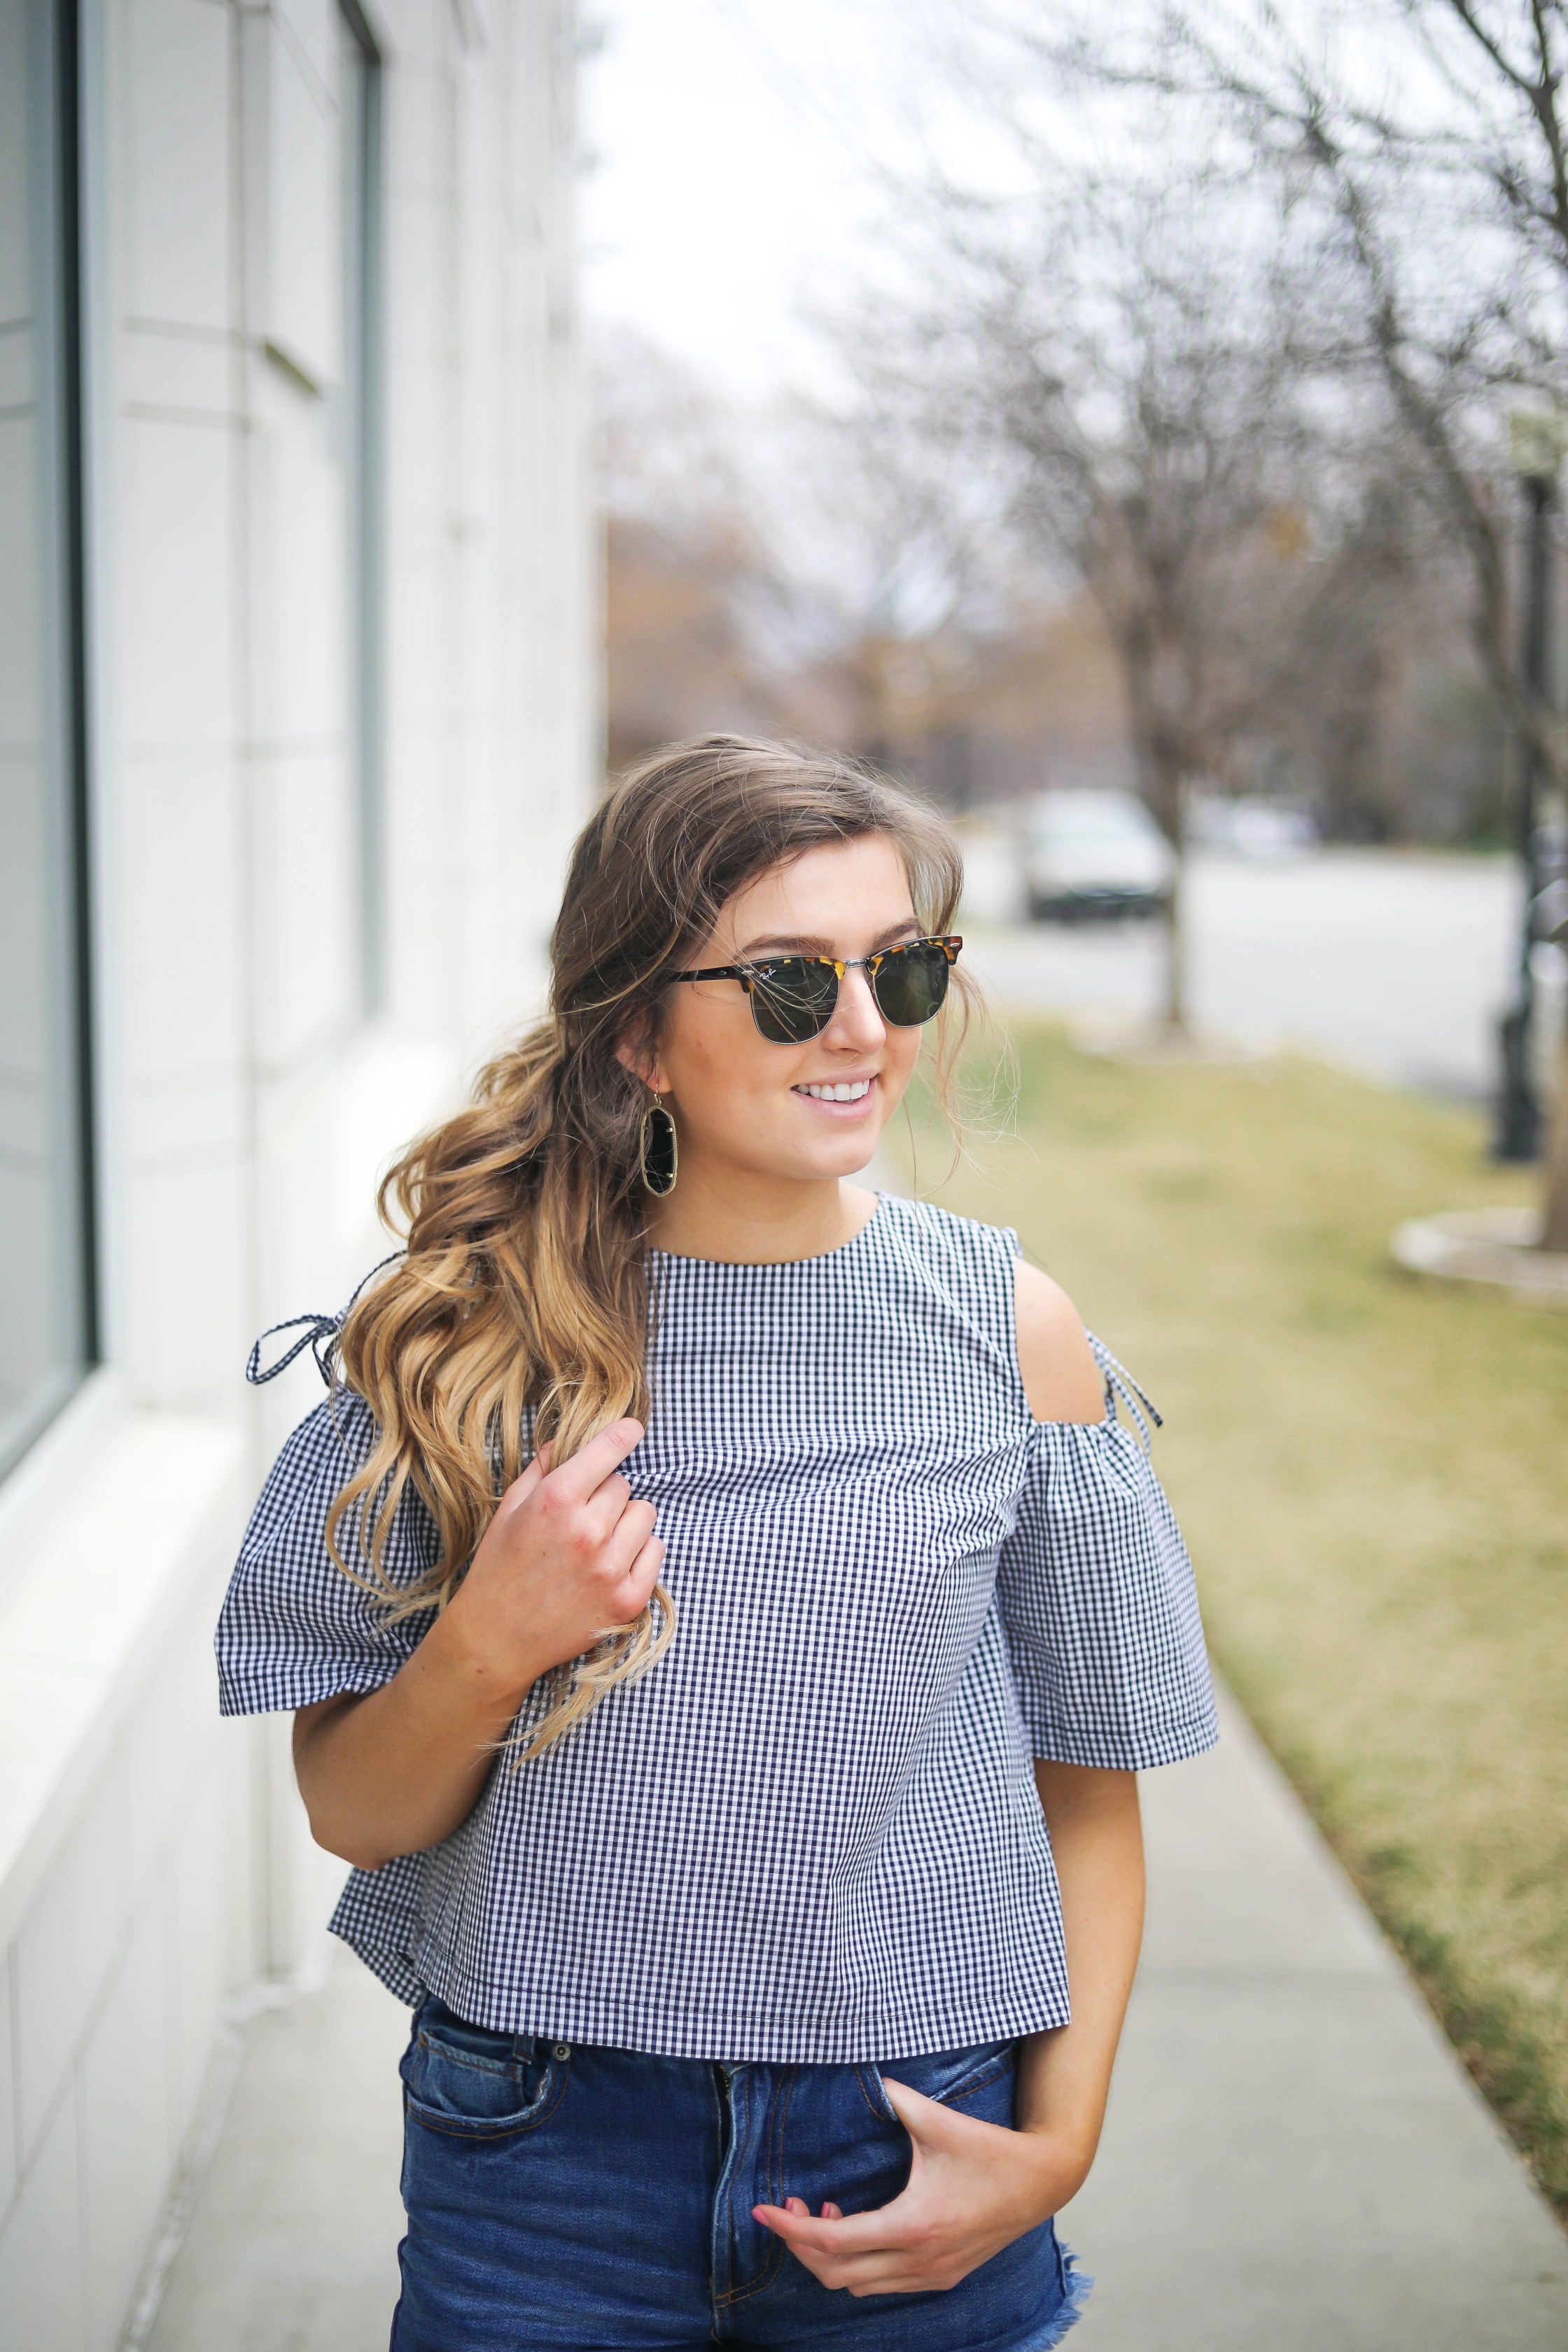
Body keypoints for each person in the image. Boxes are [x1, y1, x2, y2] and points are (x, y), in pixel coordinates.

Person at [216, 735, 1217, 2351]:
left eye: (898, 969)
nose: (860, 1031)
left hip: (913, 2135)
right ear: (638, 1033)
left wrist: (1057, 2146)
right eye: (783, 982)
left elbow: (1088, 1789)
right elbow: (351, 1813)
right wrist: (490, 1640)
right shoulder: (473, 1346)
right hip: (541, 2149)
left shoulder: (1009, 1338)